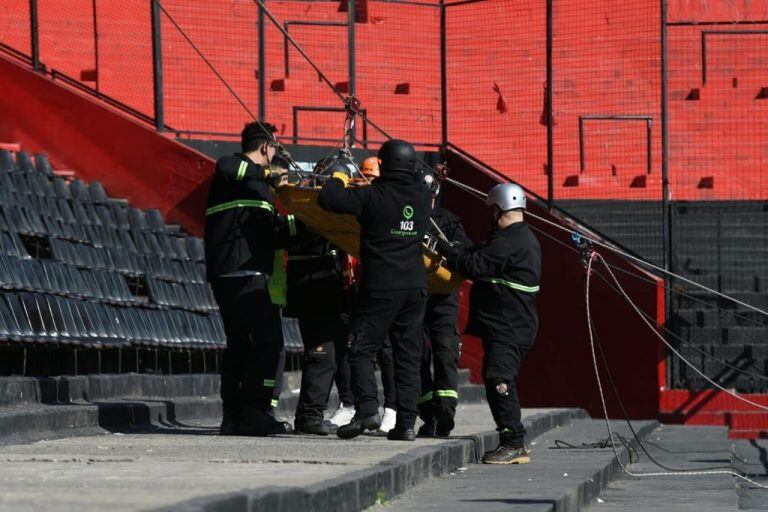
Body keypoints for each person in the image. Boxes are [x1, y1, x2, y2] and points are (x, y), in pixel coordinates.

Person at [318, 139, 431, 441]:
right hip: (415, 288)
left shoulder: (372, 195)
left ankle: (368, 409)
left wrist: (340, 173)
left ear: (383, 164)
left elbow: (329, 199)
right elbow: (420, 178)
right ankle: (406, 424)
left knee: (360, 348)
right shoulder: (422, 196)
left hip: (381, 287)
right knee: (408, 357)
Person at [204, 121, 296, 437]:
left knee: (240, 346)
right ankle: (256, 411)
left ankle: (234, 417)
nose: (274, 157)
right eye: (274, 149)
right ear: (265, 148)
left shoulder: (259, 190)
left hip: (242, 272)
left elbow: (271, 234)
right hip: (240, 273)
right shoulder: (233, 169)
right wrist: (271, 175)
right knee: (268, 343)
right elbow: (229, 167)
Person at [438, 183, 541, 463]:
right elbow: (482, 255)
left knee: (500, 381)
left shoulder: (508, 241)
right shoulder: (519, 238)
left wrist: (446, 250)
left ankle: (514, 442)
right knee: (497, 377)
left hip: (509, 328)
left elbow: (475, 265)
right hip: (511, 327)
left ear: (498, 209)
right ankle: (511, 439)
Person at [418, 180, 471, 438]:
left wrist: (448, 248)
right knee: (415, 355)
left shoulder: (448, 221)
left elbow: (464, 250)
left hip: (443, 296)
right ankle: (427, 414)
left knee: (445, 351)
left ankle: (445, 413)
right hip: (415, 295)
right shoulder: (408, 215)